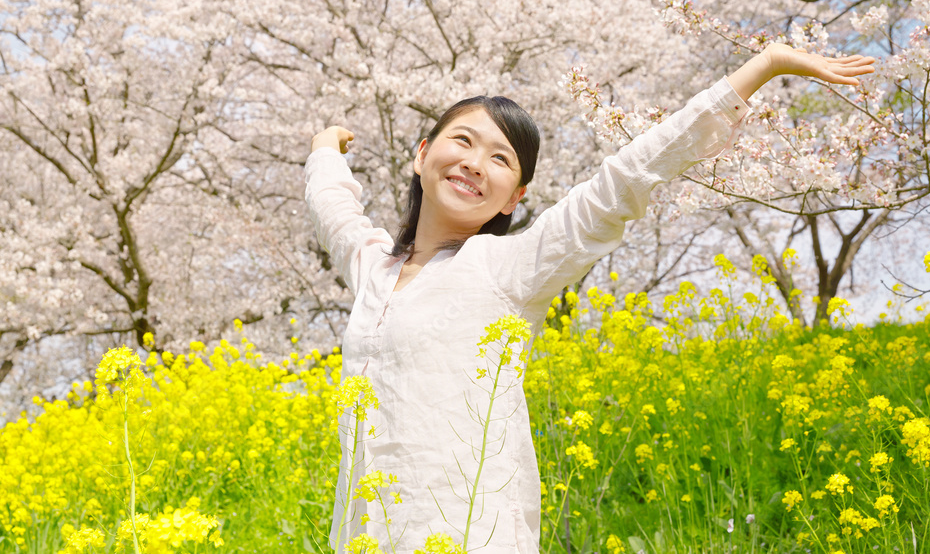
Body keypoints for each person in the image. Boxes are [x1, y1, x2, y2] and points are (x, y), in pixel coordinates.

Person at [305, 42, 875, 553]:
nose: (475, 164)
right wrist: (326, 146)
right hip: (367, 536)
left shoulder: (508, 268)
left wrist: (762, 67)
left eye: (501, 159)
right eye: (463, 141)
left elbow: (620, 183)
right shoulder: (374, 268)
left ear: (514, 198)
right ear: (422, 154)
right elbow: (334, 209)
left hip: (469, 533)